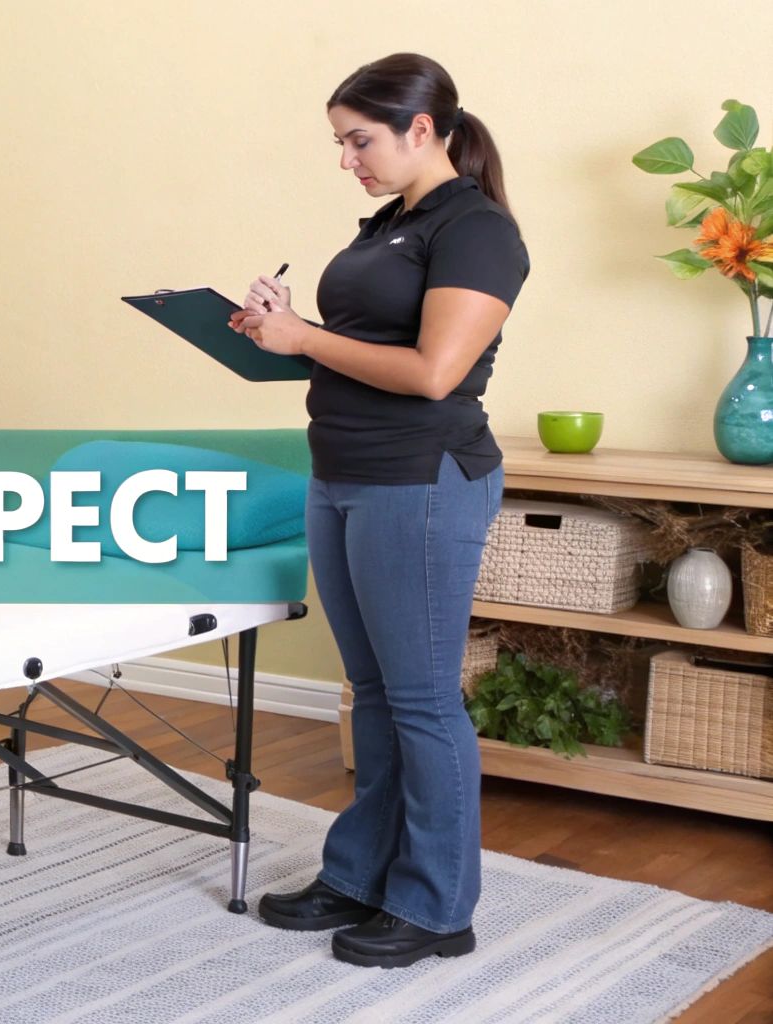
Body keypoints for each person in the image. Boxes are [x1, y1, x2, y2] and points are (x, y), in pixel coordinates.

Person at [228, 53, 528, 968]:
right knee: (374, 694)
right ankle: (358, 876)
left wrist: (304, 337)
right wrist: (274, 331)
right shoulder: (385, 228)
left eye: (359, 140)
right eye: (340, 142)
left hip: (421, 479)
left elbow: (435, 374)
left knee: (423, 700)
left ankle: (438, 907)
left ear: (422, 130)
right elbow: (355, 349)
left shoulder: (477, 230)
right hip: (342, 472)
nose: (347, 159)